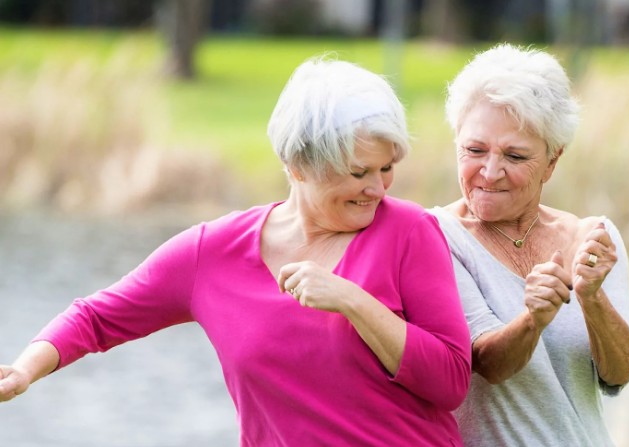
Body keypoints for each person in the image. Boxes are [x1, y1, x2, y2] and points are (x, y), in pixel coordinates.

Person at [0, 57, 472, 446]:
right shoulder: (213, 253)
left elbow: (451, 382)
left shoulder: (410, 231)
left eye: (386, 168)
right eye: (357, 172)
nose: (377, 188)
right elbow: (96, 318)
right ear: (298, 165)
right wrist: (25, 369)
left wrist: (354, 301)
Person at [430, 44, 629, 446]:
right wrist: (533, 319)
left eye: (515, 155)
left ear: (552, 161)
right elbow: (485, 362)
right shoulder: (434, 234)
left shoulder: (593, 238)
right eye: (474, 150)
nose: (490, 172)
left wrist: (592, 299)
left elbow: (619, 374)